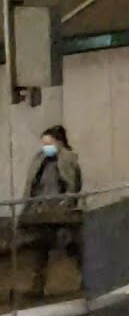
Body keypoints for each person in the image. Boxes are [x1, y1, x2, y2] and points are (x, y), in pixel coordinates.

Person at [22, 125, 82, 298]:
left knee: (70, 244)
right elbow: (32, 186)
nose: (45, 147)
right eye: (43, 144)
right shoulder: (40, 161)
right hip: (42, 211)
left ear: (58, 143)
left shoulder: (67, 160)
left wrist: (66, 204)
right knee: (42, 247)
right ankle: (38, 285)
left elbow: (73, 185)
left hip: (60, 210)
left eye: (48, 143)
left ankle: (82, 277)